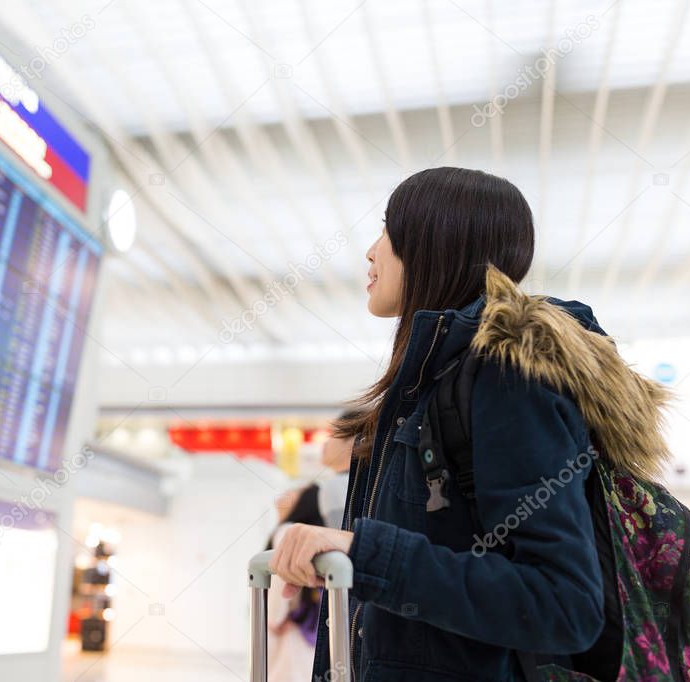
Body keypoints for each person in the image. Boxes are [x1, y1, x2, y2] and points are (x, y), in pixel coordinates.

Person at [269, 167, 666, 680]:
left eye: (389, 230)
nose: (371, 251)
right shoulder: (427, 387)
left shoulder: (507, 381)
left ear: (436, 241)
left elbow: (564, 602)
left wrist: (365, 554)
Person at [265, 426, 356, 681]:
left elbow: (276, 603)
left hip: (291, 636)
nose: (282, 497)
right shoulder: (327, 532)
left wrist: (272, 621)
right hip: (321, 637)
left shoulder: (286, 532)